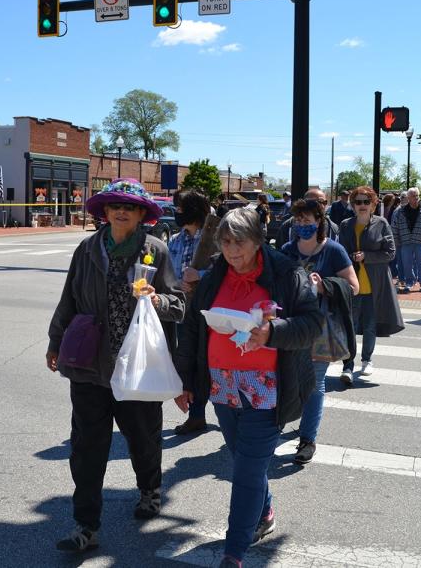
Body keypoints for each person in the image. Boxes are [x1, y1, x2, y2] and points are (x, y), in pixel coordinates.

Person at [173, 208, 323, 566]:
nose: (231, 250)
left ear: (258, 240)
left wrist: (273, 332)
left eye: (239, 242)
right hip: (222, 386)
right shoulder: (214, 276)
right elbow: (194, 330)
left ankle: (234, 551)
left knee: (245, 472)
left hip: (266, 388)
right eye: (225, 242)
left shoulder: (286, 273)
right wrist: (186, 381)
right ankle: (266, 512)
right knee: (245, 461)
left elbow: (313, 323)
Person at [47, 178, 185, 554]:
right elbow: (69, 299)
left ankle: (150, 490)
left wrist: (158, 302)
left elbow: (180, 305)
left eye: (129, 206)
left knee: (143, 438)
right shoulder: (88, 249)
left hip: (138, 364)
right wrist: (55, 340)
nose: (120, 211)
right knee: (87, 447)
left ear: (141, 214)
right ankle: (86, 526)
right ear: (104, 213)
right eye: (113, 205)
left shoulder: (154, 250)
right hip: (90, 365)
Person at [280, 199, 359, 465]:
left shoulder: (334, 250)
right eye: (298, 221)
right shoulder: (287, 250)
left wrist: (324, 285)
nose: (303, 225)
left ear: (319, 221)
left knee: (314, 384)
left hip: (321, 328)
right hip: (289, 326)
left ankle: (307, 439)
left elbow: (354, 286)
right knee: (286, 378)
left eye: (308, 220)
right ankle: (281, 424)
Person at [338, 186, 404, 384]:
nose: (362, 205)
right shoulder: (345, 225)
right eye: (358, 202)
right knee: (350, 326)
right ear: (352, 205)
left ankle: (367, 360)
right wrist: (352, 256)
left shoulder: (382, 223)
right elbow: (340, 253)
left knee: (369, 326)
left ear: (374, 204)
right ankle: (347, 366)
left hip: (375, 283)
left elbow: (390, 253)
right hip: (352, 284)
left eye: (366, 202)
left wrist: (367, 256)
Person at [167, 189, 213, 436]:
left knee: (210, 363)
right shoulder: (174, 240)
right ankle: (197, 415)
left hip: (211, 313)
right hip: (183, 312)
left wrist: (200, 276)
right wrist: (176, 284)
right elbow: (167, 274)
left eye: (181, 209)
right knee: (189, 363)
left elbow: (227, 272)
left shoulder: (213, 238)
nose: (177, 213)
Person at [390, 187, 421, 294]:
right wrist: (396, 240)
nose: (416, 198)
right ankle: (409, 283)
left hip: (420, 242)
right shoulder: (400, 211)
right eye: (413, 196)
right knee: (407, 264)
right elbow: (394, 226)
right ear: (408, 198)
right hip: (405, 241)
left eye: (417, 196)